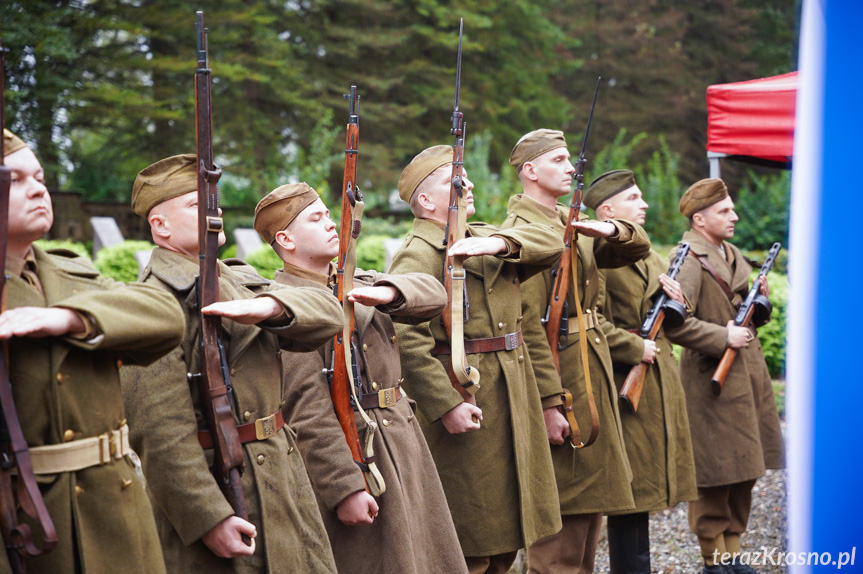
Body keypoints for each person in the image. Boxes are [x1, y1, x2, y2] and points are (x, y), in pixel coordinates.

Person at [119, 154, 344, 573]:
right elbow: (159, 431)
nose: (213, 211)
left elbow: (328, 314)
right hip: (220, 485)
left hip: (280, 473)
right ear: (160, 226)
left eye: (214, 201)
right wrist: (208, 516)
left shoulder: (238, 279)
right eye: (194, 204)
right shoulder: (153, 302)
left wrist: (268, 307)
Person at [252, 182, 467, 574]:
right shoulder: (286, 307)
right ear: (285, 238)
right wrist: (343, 485)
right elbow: (306, 409)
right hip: (359, 454)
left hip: (402, 442)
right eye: (316, 219)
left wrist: (388, 292)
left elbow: (434, 294)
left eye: (328, 215)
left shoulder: (359, 281)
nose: (331, 224)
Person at [0, 129, 184, 573]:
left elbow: (165, 316)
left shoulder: (69, 271)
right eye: (17, 180)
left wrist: (69, 318)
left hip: (117, 510)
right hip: (29, 522)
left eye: (40, 177)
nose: (38, 188)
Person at [388, 145, 564, 574]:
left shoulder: (483, 236)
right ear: (427, 201)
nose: (467, 186)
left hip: (510, 393)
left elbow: (551, 242)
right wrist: (445, 404)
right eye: (455, 181)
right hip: (466, 394)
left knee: (508, 531)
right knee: (472, 538)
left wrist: (499, 242)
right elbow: (405, 338)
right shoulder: (419, 252)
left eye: (465, 178)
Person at [500, 130, 650, 574]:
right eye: (559, 160)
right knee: (561, 511)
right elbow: (526, 326)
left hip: (589, 370)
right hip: (560, 375)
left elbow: (637, 246)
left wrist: (610, 227)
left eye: (570, 159)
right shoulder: (520, 233)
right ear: (530, 170)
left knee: (590, 509)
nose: (571, 167)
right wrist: (548, 402)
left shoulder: (573, 222)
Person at [664, 178, 785, 574]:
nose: (734, 215)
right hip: (710, 379)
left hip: (746, 374)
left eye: (731, 209)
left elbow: (745, 316)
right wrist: (722, 336)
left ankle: (733, 551)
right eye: (724, 211)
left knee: (745, 468)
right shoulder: (688, 259)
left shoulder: (730, 253)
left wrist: (758, 307)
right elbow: (675, 325)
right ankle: (713, 556)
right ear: (700, 219)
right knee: (715, 472)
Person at [585, 169, 698, 574]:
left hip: (657, 376)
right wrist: (633, 346)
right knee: (629, 491)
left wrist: (678, 301)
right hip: (621, 376)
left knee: (647, 488)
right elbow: (588, 318)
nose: (645, 204)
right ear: (608, 210)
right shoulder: (598, 254)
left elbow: (675, 320)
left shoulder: (650, 254)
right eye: (634, 198)